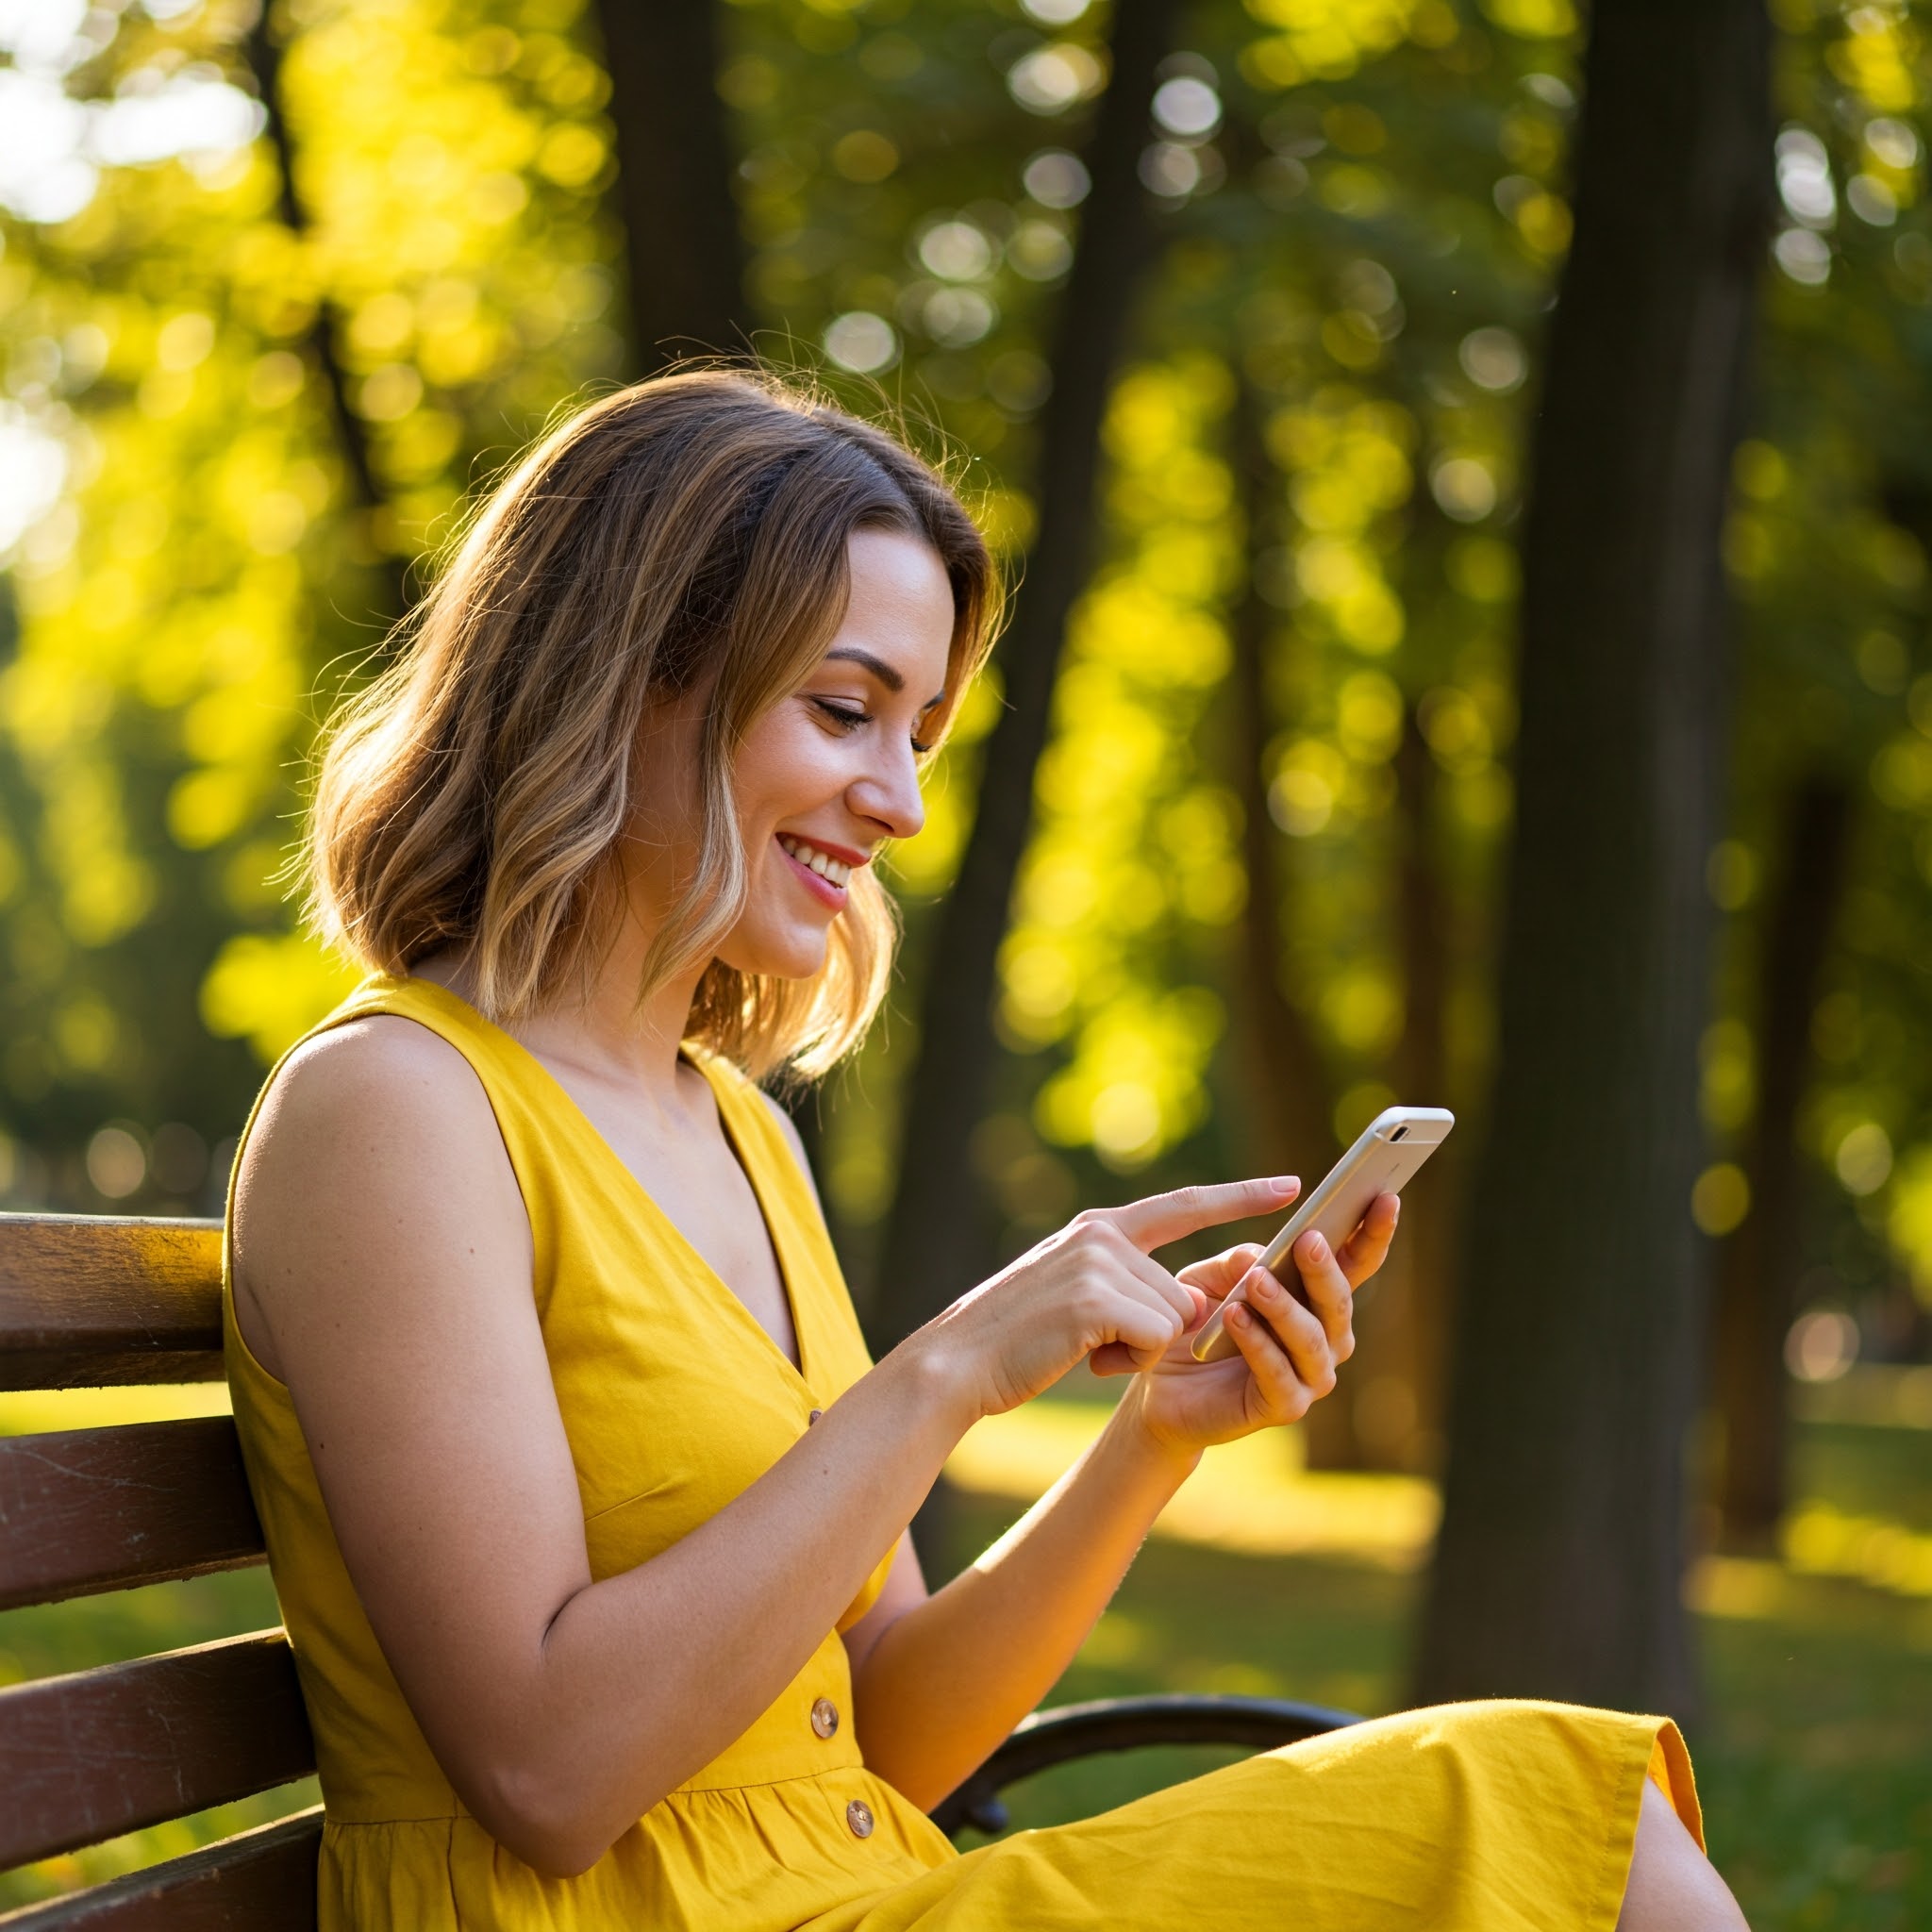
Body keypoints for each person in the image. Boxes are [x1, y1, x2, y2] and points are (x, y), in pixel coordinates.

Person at [225, 369, 1748, 1930]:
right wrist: (946, 1373)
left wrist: (1154, 1441)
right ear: (627, 680)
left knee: (1574, 1811)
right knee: (1567, 1824)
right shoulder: (395, 1112)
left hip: (864, 1892)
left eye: (922, 734)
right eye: (843, 710)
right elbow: (546, 1774)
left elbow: (888, 1732)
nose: (899, 803)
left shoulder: (736, 1130)